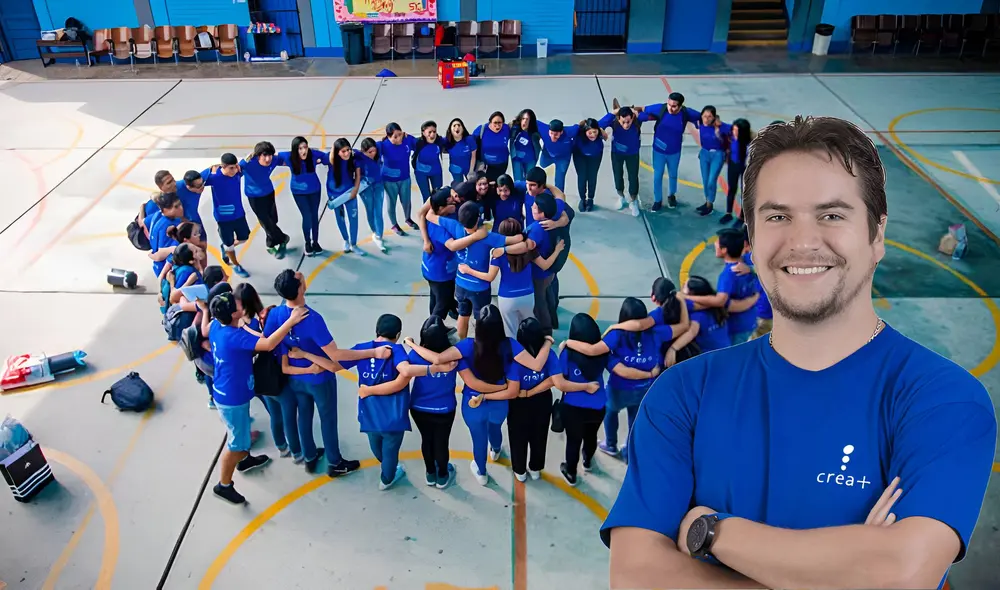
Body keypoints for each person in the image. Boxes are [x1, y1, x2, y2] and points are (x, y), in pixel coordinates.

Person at [600, 116, 997, 590]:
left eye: (832, 214)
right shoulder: (683, 393)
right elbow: (637, 576)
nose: (803, 241)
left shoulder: (942, 400)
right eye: (778, 216)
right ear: (751, 239)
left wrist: (712, 531)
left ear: (877, 236)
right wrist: (845, 571)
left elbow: (898, 574)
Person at [405, 305, 553, 485]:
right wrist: (547, 342)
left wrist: (412, 344)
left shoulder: (467, 346)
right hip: (500, 403)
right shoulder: (511, 345)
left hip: (473, 403)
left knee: (478, 438)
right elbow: (536, 365)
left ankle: (481, 472)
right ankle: (496, 449)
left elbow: (438, 360)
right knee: (495, 427)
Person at [266, 270, 390, 477]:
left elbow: (269, 340)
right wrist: (373, 352)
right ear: (299, 289)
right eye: (298, 278)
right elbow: (336, 354)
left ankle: (309, 456)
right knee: (328, 418)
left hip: (295, 376)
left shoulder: (276, 314)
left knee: (304, 415)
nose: (300, 274)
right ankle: (335, 461)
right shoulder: (312, 319)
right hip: (319, 377)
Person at [295, 314, 426, 491]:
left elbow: (333, 366)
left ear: (377, 331)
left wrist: (304, 354)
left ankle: (387, 467)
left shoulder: (361, 349)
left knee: (376, 445)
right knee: (390, 450)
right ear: (398, 334)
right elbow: (405, 370)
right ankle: (387, 478)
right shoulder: (397, 350)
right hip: (393, 416)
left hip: (368, 413)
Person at [199, 291, 307, 504]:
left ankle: (245, 460)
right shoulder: (234, 336)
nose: (240, 302)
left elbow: (249, 336)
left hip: (228, 390)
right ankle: (224, 484)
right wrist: (291, 321)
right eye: (236, 304)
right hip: (233, 398)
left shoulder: (217, 326)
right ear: (232, 314)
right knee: (236, 444)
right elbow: (267, 344)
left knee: (240, 435)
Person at [420, 200, 525, 340]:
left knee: (463, 315)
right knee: (481, 320)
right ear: (478, 218)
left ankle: (463, 343)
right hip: (479, 288)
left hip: (461, 285)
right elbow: (516, 239)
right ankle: (478, 345)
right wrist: (525, 234)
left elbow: (429, 215)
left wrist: (434, 198)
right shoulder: (488, 237)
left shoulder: (454, 226)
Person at [459, 218, 564, 337]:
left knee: (510, 333)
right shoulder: (529, 250)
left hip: (507, 298)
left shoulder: (497, 253)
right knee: (529, 329)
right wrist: (557, 250)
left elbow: (489, 277)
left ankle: (515, 355)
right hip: (527, 296)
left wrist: (468, 270)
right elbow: (545, 265)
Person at [405, 316, 460, 488]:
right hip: (444, 408)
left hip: (419, 407)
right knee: (441, 442)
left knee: (426, 440)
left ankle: (430, 473)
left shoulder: (414, 355)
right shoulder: (453, 357)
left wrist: (412, 344)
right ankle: (442, 474)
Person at [683, 228, 759, 345]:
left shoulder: (728, 275)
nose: (715, 244)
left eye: (718, 243)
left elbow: (720, 301)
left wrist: (688, 297)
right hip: (750, 319)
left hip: (736, 326)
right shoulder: (750, 261)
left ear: (724, 250)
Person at [557, 313, 608, 485]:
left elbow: (561, 378)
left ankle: (571, 472)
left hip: (573, 407)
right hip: (598, 404)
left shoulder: (567, 354)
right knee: (591, 435)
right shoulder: (602, 350)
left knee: (573, 441)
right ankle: (587, 461)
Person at [638, 91, 701, 210]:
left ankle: (671, 195)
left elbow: (702, 117)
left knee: (673, 175)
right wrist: (629, 110)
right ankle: (657, 200)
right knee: (657, 176)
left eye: (674, 106)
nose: (670, 108)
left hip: (674, 152)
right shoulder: (661, 109)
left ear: (680, 106)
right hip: (658, 152)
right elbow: (642, 109)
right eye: (669, 104)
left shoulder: (686, 113)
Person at [277, 136, 329, 256]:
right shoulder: (289, 157)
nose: (303, 151)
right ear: (295, 150)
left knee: (315, 215)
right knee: (307, 216)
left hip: (315, 190)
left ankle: (316, 242)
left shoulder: (313, 154)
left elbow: (327, 156)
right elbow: (275, 157)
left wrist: (322, 160)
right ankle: (307, 243)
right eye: (300, 148)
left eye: (305, 147)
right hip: (299, 192)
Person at [240, 141, 289, 258]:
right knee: (265, 221)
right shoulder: (247, 163)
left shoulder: (274, 160)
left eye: (269, 155)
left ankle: (270, 243)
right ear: (258, 156)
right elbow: (232, 170)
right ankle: (283, 238)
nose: (267, 159)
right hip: (254, 196)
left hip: (268, 192)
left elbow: (287, 158)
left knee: (273, 219)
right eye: (264, 156)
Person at [204, 153, 251, 278]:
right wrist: (209, 169)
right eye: (231, 168)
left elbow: (248, 159)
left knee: (244, 237)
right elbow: (197, 178)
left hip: (239, 215)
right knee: (229, 245)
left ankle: (224, 246)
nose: (235, 170)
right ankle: (236, 265)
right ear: (223, 166)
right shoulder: (214, 178)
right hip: (223, 219)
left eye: (235, 166)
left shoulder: (237, 173)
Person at [600, 102, 646, 217]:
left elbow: (651, 114)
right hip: (617, 154)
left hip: (633, 154)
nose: (626, 125)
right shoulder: (614, 122)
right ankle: (621, 197)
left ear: (633, 118)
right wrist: (612, 113)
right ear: (618, 118)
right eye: (623, 122)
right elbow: (600, 124)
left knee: (633, 177)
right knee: (617, 175)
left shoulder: (637, 121)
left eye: (628, 122)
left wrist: (637, 110)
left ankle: (633, 200)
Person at [378, 122, 418, 236]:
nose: (398, 138)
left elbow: (419, 144)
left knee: (406, 201)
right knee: (392, 202)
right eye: (395, 137)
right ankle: (394, 224)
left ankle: (408, 218)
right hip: (389, 180)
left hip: (405, 177)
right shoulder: (383, 145)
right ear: (388, 136)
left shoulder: (407, 140)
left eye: (400, 134)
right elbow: (371, 150)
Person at [326, 138, 364, 255]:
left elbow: (358, 175)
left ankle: (354, 243)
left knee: (353, 218)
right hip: (335, 195)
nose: (347, 153)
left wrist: (355, 190)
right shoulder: (330, 159)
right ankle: (346, 240)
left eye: (348, 149)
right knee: (340, 219)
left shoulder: (354, 158)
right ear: (337, 152)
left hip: (349, 193)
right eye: (343, 151)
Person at [695, 106, 732, 217]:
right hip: (704, 153)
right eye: (704, 116)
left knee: (711, 180)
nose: (706, 119)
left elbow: (734, 129)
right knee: (705, 180)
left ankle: (710, 205)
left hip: (717, 154)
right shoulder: (699, 123)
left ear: (714, 117)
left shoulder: (721, 127)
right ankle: (707, 202)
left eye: (709, 116)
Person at [356, 137, 388, 253]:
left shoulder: (378, 150)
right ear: (363, 151)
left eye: (374, 151)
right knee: (370, 209)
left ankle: (379, 235)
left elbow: (383, 141)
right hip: (366, 188)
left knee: (378, 210)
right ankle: (374, 231)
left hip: (378, 185)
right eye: (369, 152)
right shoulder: (358, 157)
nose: (373, 154)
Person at [721, 118, 753, 227]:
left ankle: (742, 217)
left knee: (745, 193)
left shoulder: (750, 143)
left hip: (746, 168)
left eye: (737, 130)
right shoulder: (731, 136)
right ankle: (728, 212)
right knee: (731, 189)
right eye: (733, 129)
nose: (734, 132)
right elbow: (720, 124)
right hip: (733, 165)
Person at [572, 118, 605, 212]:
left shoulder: (599, 134)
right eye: (590, 133)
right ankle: (582, 198)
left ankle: (590, 198)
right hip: (580, 156)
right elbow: (568, 130)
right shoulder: (579, 136)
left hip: (595, 156)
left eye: (595, 132)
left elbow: (608, 118)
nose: (593, 135)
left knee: (592, 176)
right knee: (582, 177)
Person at [412, 121, 447, 202]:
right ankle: (427, 214)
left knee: (438, 195)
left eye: (434, 131)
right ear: (423, 133)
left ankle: (436, 213)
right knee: (426, 197)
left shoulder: (440, 141)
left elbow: (452, 139)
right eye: (429, 132)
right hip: (421, 172)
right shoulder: (417, 142)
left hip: (436, 171)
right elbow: (403, 140)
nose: (432, 134)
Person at [509, 109, 541, 183]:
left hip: (530, 159)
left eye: (527, 119)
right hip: (517, 159)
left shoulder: (535, 132)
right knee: (518, 181)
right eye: (523, 119)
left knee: (530, 181)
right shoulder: (513, 129)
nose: (525, 122)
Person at [444, 118, 477, 184]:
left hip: (469, 168)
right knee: (459, 188)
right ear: (450, 129)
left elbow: (473, 156)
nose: (457, 127)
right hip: (456, 169)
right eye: (454, 125)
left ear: (463, 128)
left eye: (459, 125)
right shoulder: (447, 141)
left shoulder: (469, 139)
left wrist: (471, 171)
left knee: (472, 186)